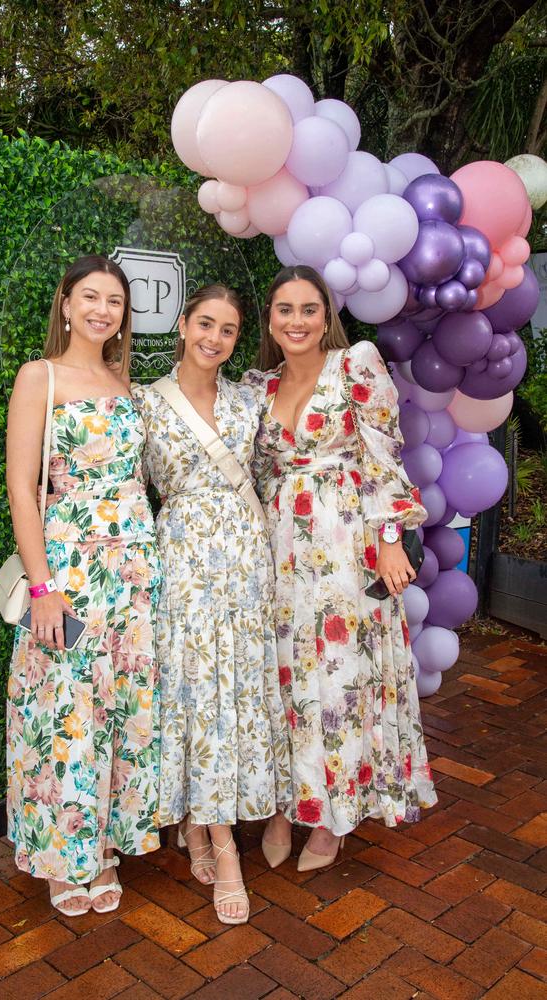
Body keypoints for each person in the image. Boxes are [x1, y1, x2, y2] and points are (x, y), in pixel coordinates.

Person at [243, 265, 436, 873]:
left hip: (345, 548)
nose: (296, 321)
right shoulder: (258, 387)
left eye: (308, 309)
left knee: (339, 679)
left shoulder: (355, 366)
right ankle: (288, 804)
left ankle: (333, 819)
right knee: (284, 679)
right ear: (270, 321)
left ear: (327, 317)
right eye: (284, 310)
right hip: (279, 553)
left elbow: (383, 454)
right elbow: (255, 475)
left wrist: (388, 539)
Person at [6, 255, 162, 916]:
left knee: (121, 712)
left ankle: (100, 845)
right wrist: (43, 588)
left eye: (115, 302)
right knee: (64, 714)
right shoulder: (38, 377)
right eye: (90, 297)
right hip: (69, 573)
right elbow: (21, 486)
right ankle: (59, 856)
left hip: (134, 576)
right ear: (66, 304)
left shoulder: (126, 382)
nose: (103, 310)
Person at [133, 284, 291, 924]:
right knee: (195, 693)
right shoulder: (143, 403)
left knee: (234, 694)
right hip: (184, 569)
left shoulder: (250, 402)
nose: (214, 338)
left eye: (227, 330)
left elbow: (282, 473)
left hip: (245, 568)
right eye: (205, 324)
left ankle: (203, 826)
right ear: (181, 324)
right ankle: (222, 845)